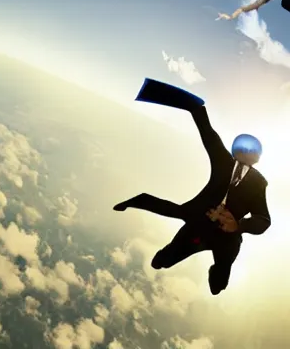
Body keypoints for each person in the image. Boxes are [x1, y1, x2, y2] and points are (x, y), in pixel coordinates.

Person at [113, 78, 271, 295]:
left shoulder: (258, 183)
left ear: (257, 158)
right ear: (236, 151)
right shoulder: (224, 161)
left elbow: (264, 219)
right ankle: (142, 210)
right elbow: (210, 135)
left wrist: (238, 225)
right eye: (242, 149)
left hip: (226, 238)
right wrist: (196, 108)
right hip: (197, 222)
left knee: (219, 283)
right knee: (162, 261)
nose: (245, 154)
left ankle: (216, 275)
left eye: (250, 151)